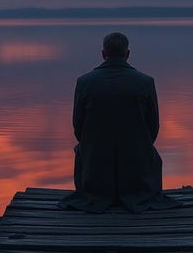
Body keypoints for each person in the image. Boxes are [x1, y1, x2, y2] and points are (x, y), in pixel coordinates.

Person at [58, 32, 182, 213]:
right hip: (136, 163)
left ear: (103, 54)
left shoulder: (84, 82)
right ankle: (134, 189)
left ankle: (99, 190)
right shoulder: (145, 82)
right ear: (128, 54)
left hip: (96, 164)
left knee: (83, 149)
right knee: (147, 151)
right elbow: (153, 128)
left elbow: (78, 128)